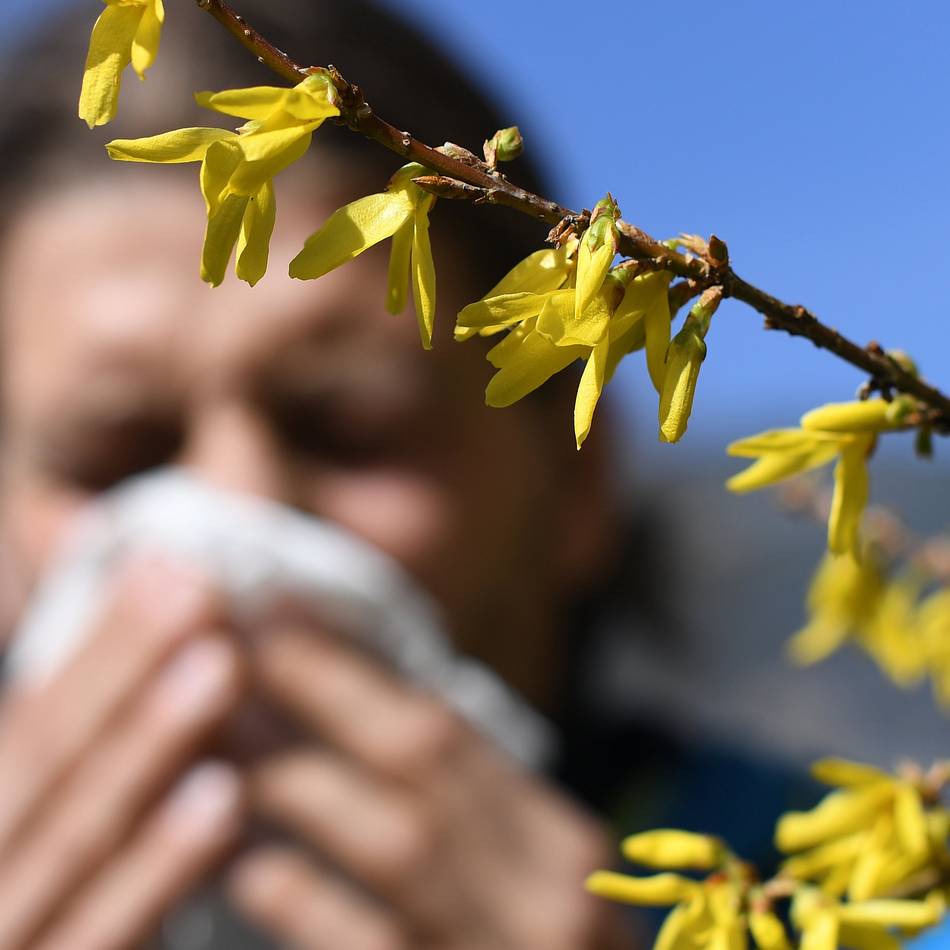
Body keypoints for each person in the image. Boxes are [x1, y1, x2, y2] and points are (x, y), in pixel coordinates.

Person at [0, 2, 810, 948]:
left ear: (578, 477)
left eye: (351, 426)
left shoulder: (841, 901)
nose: (231, 508)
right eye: (114, 456)